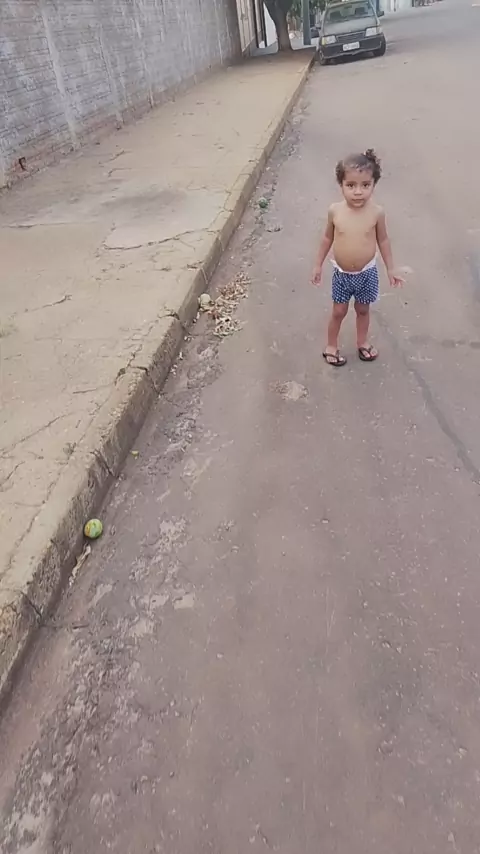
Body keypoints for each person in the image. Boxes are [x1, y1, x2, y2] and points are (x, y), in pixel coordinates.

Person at [311, 149, 404, 367]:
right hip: (342, 275)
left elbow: (383, 241)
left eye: (365, 185)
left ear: (373, 185)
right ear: (341, 185)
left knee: (363, 310)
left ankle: (362, 342)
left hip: (367, 273)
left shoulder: (377, 213)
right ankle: (331, 345)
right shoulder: (335, 211)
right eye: (351, 185)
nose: (358, 192)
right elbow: (327, 238)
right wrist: (317, 265)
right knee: (339, 311)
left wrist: (391, 268)